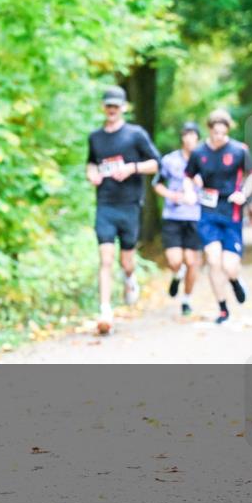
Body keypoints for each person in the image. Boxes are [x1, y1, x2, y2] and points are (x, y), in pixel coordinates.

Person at [85, 86, 161, 334]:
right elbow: (91, 164)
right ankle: (105, 310)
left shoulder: (135, 134)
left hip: (129, 204)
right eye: (108, 105)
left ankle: (130, 277)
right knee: (105, 259)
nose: (112, 109)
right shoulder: (95, 137)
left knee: (126, 260)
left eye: (116, 105)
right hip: (105, 204)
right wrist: (92, 174)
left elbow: (155, 164)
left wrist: (132, 168)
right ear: (103, 107)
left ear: (124, 108)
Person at [183, 109, 252, 324]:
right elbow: (187, 177)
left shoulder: (238, 150)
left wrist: (243, 193)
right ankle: (223, 308)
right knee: (213, 260)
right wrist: (189, 191)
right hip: (208, 214)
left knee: (229, 266)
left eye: (223, 133)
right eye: (216, 132)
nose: (219, 137)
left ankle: (235, 281)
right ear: (209, 130)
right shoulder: (199, 153)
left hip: (231, 214)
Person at [153, 121, 202, 316]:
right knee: (175, 260)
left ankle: (187, 299)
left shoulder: (205, 160)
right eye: (186, 134)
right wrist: (171, 195)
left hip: (195, 217)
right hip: (173, 216)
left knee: (191, 261)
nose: (189, 139)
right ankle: (176, 274)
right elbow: (156, 184)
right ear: (182, 138)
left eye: (193, 135)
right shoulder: (169, 160)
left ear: (198, 138)